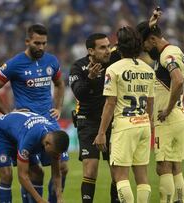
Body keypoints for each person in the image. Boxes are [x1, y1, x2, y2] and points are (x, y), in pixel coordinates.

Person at [0, 24, 68, 203]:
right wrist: (8, 113)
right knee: (33, 172)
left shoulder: (52, 61)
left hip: (49, 121)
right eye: (37, 43)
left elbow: (60, 84)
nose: (41, 47)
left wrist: (58, 107)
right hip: (27, 124)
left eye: (44, 43)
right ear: (27, 41)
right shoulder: (14, 64)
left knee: (62, 167)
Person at [94, 26, 155, 203]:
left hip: (124, 125)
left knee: (121, 176)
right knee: (142, 176)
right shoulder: (148, 70)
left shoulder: (113, 70)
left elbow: (110, 103)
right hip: (143, 124)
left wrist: (101, 133)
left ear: (119, 47)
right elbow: (150, 102)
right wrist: (148, 122)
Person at [137, 9, 184, 203]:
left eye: (145, 45)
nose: (145, 50)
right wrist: (150, 24)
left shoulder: (168, 54)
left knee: (162, 167)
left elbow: (178, 79)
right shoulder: (170, 52)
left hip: (168, 118)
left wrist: (167, 108)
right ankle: (180, 200)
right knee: (176, 167)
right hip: (179, 116)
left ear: (152, 40)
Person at [69, 33, 121, 203]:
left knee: (117, 172)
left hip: (112, 122)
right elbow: (79, 94)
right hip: (88, 122)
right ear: (91, 50)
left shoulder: (114, 59)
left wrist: (150, 26)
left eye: (108, 46)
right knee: (90, 170)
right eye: (103, 47)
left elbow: (133, 40)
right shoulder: (78, 67)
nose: (108, 50)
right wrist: (90, 78)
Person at [0, 111, 69, 203]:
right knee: (6, 175)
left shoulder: (54, 138)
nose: (54, 156)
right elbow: (22, 176)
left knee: (37, 173)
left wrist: (59, 198)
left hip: (19, 134)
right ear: (47, 144)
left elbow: (56, 174)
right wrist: (39, 200)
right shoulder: (30, 139)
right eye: (53, 153)